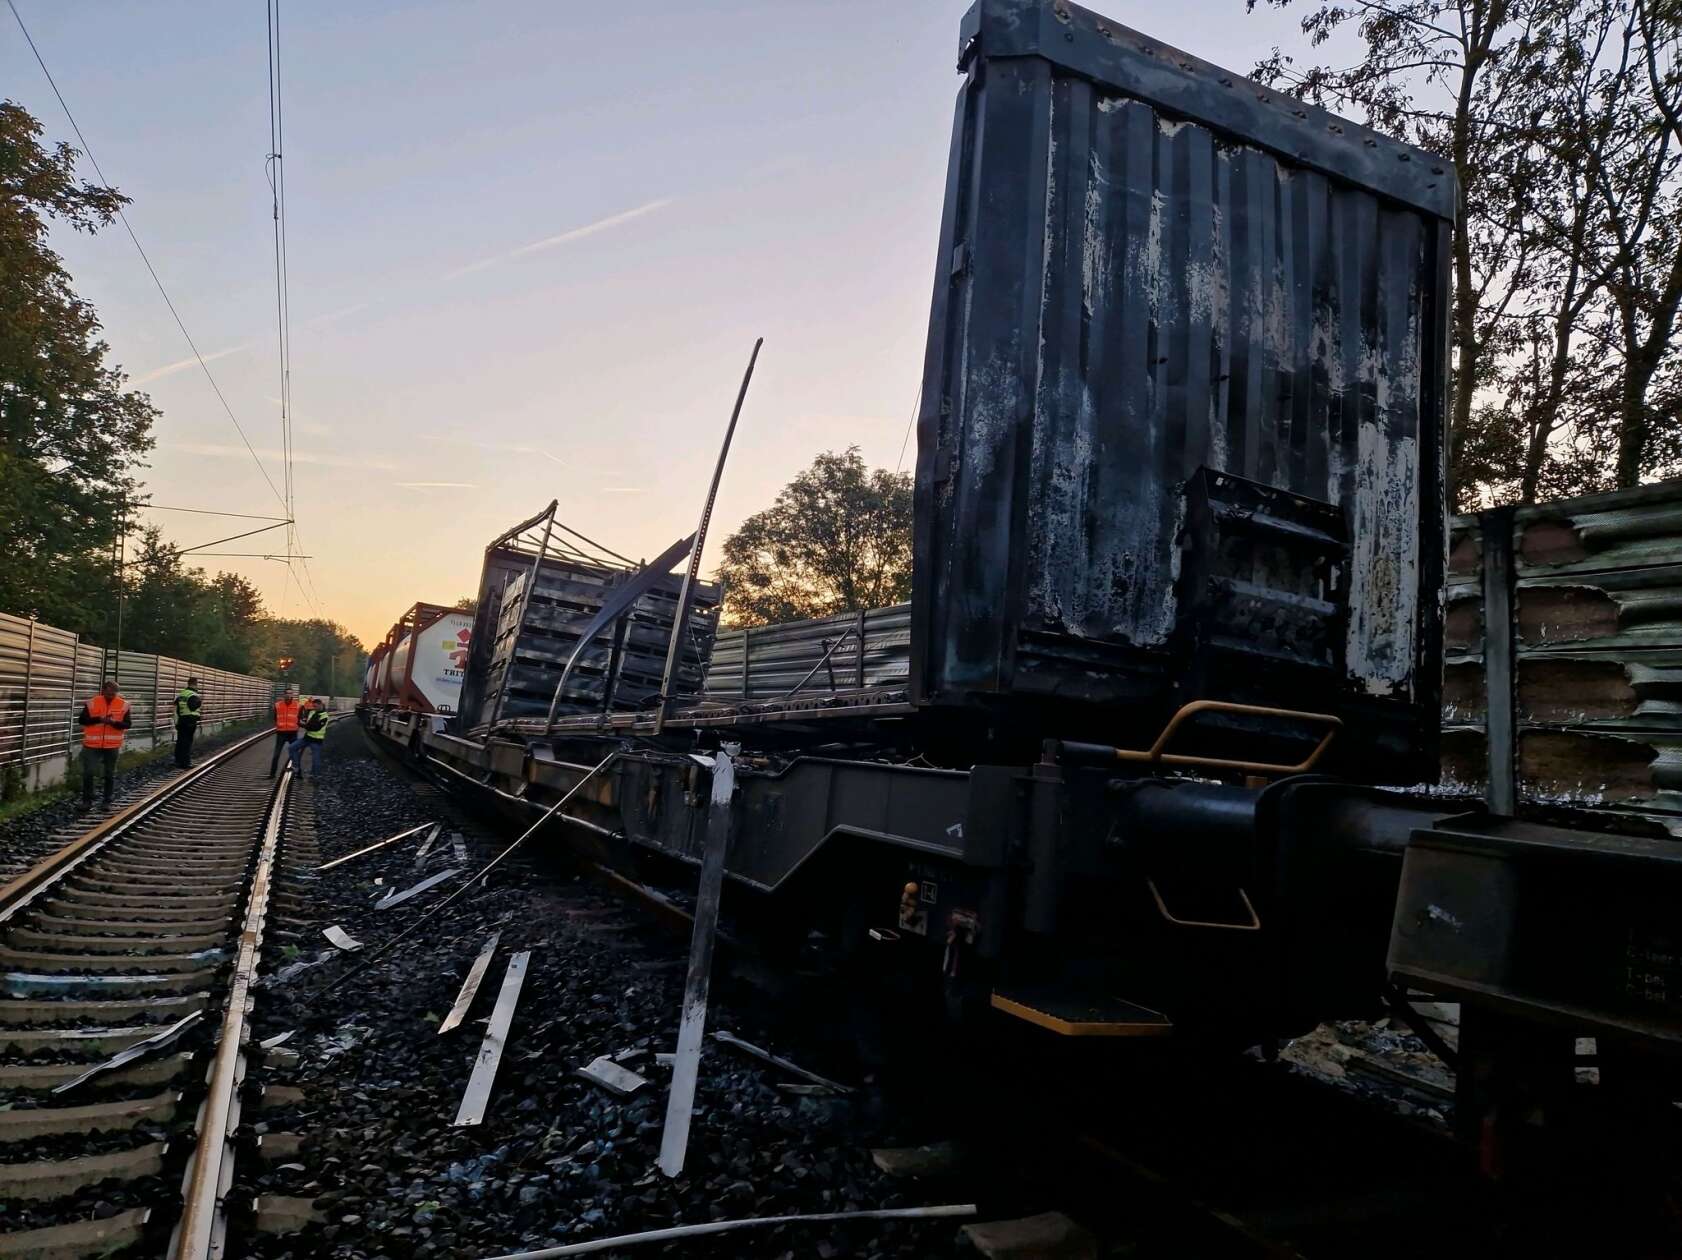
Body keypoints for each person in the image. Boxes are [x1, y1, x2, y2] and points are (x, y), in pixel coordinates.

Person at [78, 678, 131, 809]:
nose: (111, 696)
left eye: (113, 694)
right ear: (103, 691)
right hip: (92, 744)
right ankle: (87, 801)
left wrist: (114, 723)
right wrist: (99, 719)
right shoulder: (92, 703)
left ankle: (107, 801)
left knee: (109, 774)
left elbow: (127, 724)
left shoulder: (123, 705)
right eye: (108, 694)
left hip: (112, 745)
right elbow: (82, 720)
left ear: (117, 693)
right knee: (88, 772)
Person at [291, 697, 329, 780]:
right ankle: (296, 766)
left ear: (321, 705)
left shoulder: (324, 716)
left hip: (316, 740)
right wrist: (301, 722)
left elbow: (315, 727)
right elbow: (307, 722)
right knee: (292, 748)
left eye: (315, 706)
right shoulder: (312, 712)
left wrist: (304, 725)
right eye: (313, 706)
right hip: (307, 738)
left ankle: (316, 775)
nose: (314, 708)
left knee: (316, 759)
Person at [269, 686, 302, 778]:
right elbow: (275, 717)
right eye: (287, 693)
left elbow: (300, 718)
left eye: (290, 693)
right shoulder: (278, 705)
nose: (289, 695)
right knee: (276, 754)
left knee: (295, 754)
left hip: (292, 733)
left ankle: (299, 774)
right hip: (281, 733)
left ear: (292, 695)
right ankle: (272, 774)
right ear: (284, 694)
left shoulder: (298, 705)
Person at [174, 676, 203, 768]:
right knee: (187, 742)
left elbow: (176, 707)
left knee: (180, 741)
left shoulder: (182, 694)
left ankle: (178, 761)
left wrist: (176, 721)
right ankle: (186, 763)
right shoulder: (193, 695)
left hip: (181, 720)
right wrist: (199, 702)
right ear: (195, 684)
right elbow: (193, 707)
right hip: (190, 721)